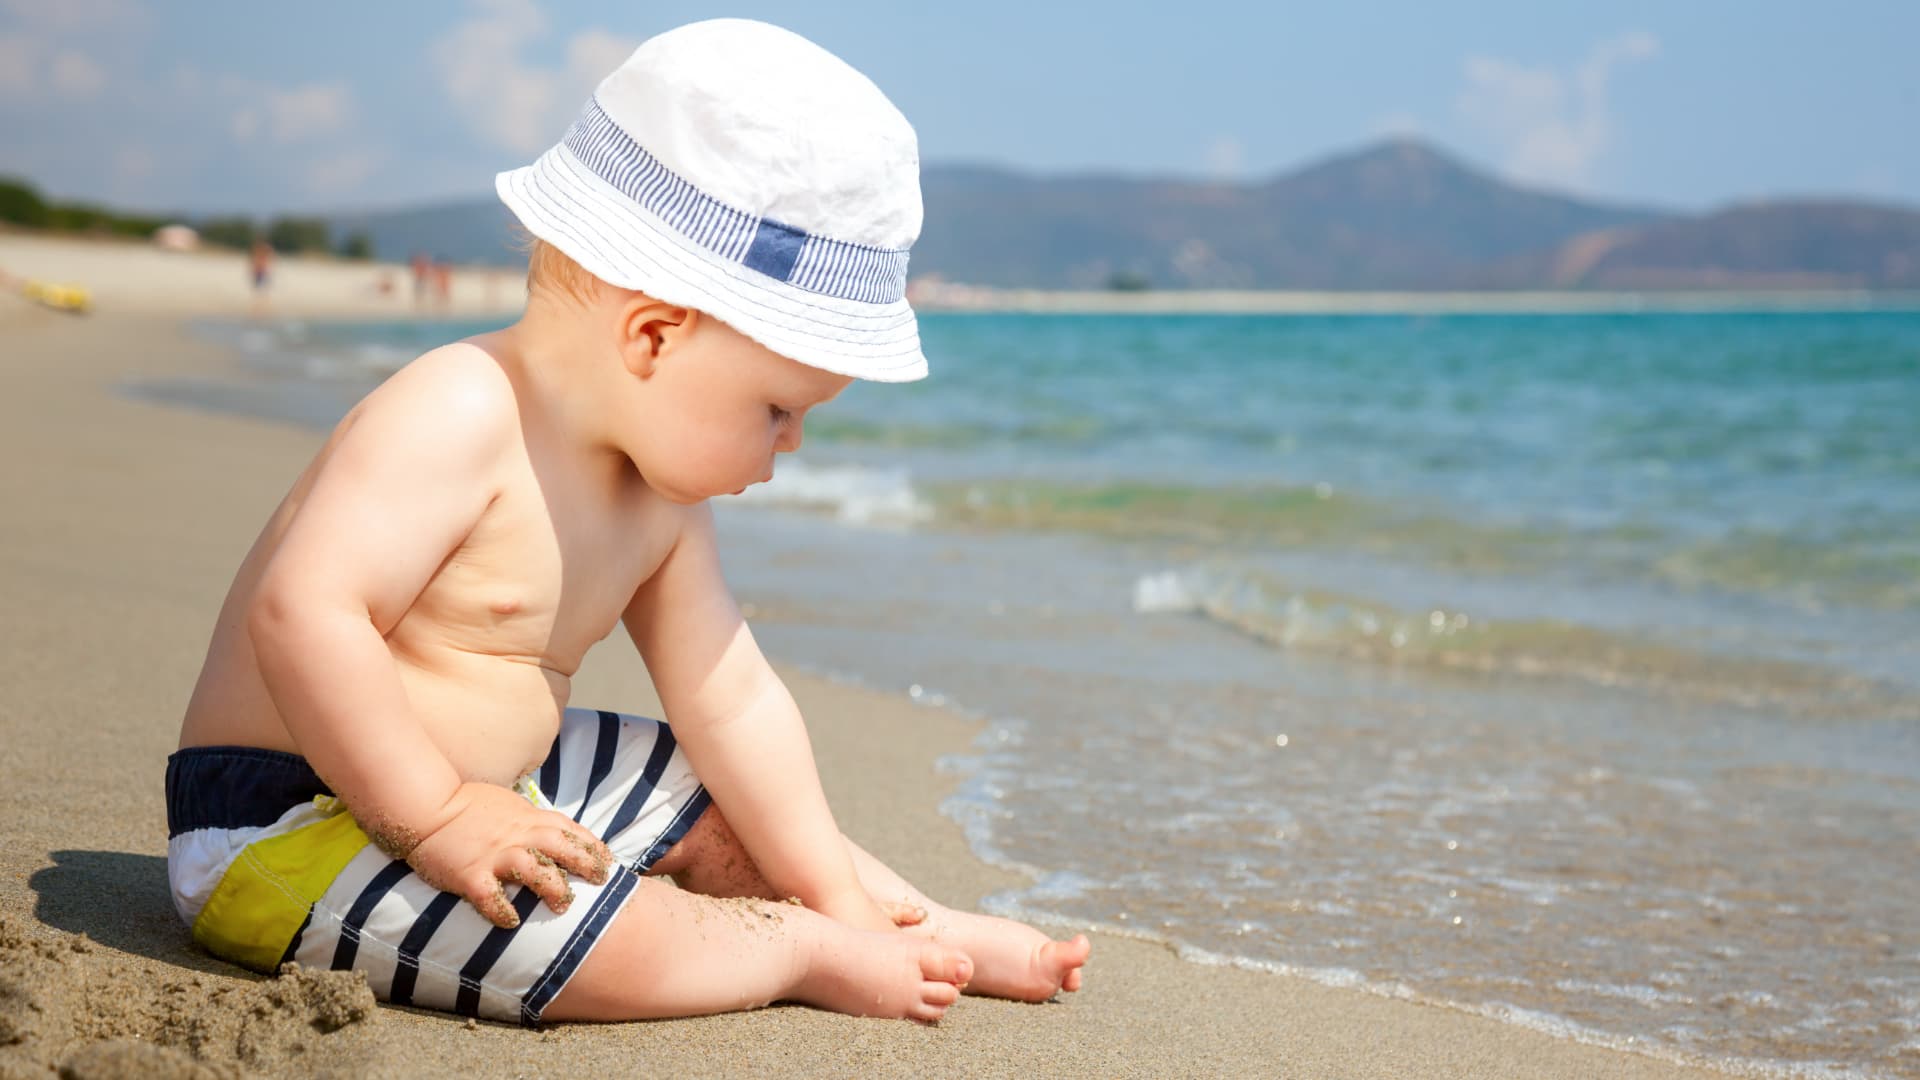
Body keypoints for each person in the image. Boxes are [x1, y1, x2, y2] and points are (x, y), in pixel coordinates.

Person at [165, 18, 1089, 1028]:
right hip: (291, 824)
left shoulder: (660, 501)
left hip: (491, 789)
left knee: (700, 776)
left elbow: (730, 700)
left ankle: (880, 913)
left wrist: (825, 875)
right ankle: (797, 948)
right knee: (565, 929)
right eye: (777, 410)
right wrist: (430, 814)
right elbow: (305, 612)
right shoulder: (461, 410)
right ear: (653, 336)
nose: (789, 447)